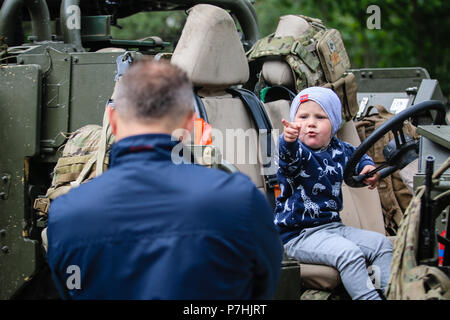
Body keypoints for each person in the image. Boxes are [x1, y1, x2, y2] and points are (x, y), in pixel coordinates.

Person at [47, 58, 283, 299]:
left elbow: (71, 288)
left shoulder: (67, 214)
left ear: (113, 118)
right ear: (190, 121)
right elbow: (263, 287)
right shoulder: (240, 200)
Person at [275, 86, 392, 300]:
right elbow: (287, 159)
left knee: (382, 244)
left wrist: (367, 168)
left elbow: (359, 157)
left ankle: (392, 294)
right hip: (297, 235)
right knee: (349, 254)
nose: (310, 123)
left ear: (334, 124)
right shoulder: (297, 151)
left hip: (332, 227)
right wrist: (288, 141)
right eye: (303, 117)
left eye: (320, 117)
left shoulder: (340, 149)